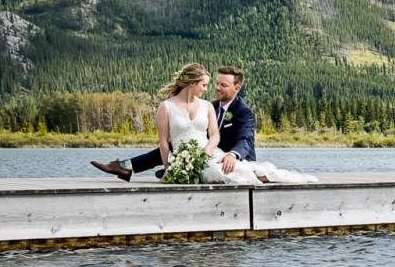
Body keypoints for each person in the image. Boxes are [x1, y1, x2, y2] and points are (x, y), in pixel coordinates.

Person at [98, 63, 316, 185]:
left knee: (254, 172)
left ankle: (133, 167)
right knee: (179, 142)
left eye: (223, 85)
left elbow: (245, 141)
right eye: (216, 84)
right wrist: (172, 165)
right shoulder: (204, 105)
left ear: (236, 88)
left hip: (229, 156)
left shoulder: (243, 112)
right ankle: (131, 166)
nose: (216, 88)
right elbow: (169, 141)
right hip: (203, 154)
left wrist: (233, 155)